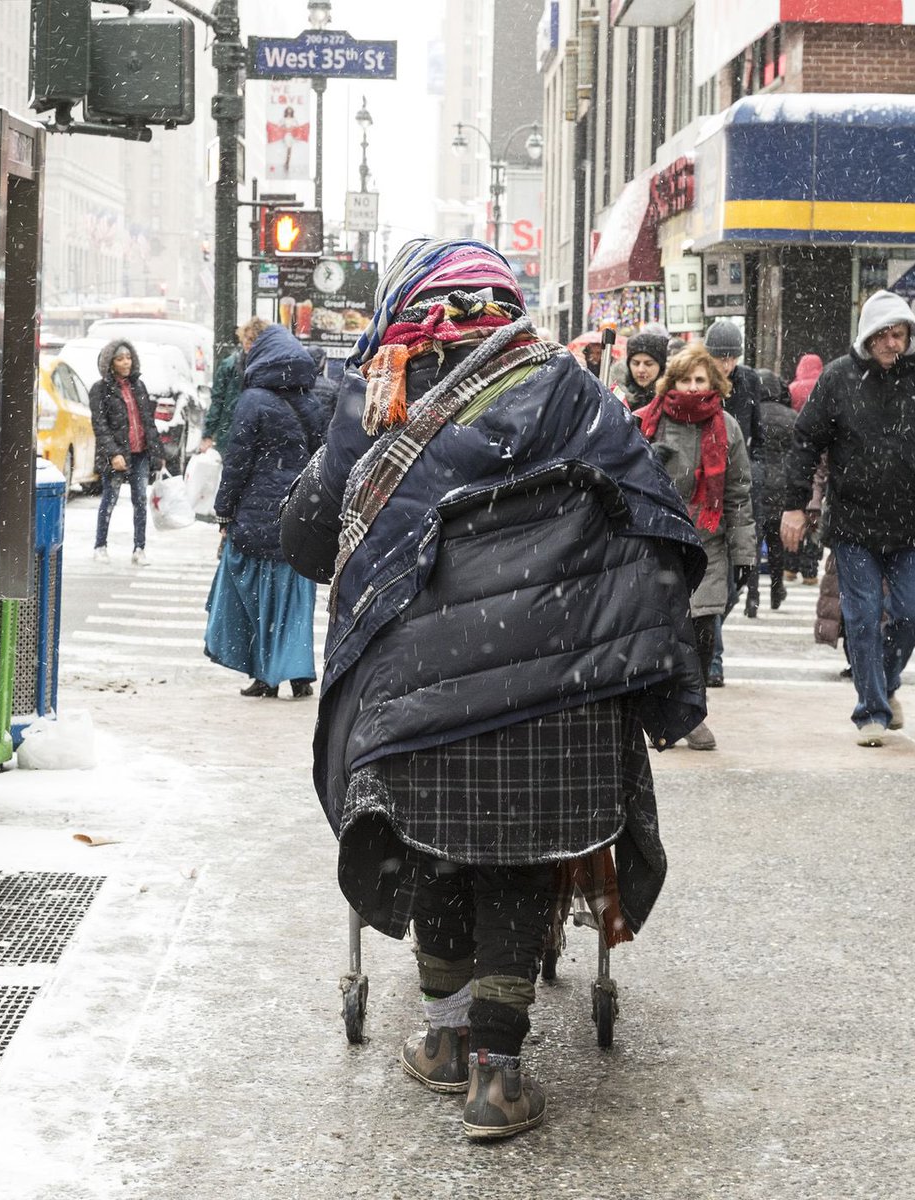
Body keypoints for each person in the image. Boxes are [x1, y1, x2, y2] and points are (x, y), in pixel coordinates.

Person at [279, 237, 706, 1140]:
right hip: (565, 689)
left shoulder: (382, 397)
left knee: (438, 841)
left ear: (409, 301)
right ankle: (499, 1076)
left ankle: (443, 1038)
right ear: (505, 305)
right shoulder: (573, 390)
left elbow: (309, 539)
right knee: (522, 849)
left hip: (419, 692)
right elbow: (660, 515)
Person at [781, 289, 915, 747]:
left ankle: (884, 685)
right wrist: (794, 504)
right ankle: (871, 710)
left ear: (910, 334)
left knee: (911, 615)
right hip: (853, 522)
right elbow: (805, 442)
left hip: (912, 522)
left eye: (899, 333)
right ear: (867, 336)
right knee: (862, 617)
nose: (892, 343)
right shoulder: (839, 378)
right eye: (883, 334)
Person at [637, 347, 755, 751]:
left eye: (699, 380)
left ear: (713, 384)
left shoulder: (728, 428)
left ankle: (693, 712)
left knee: (702, 632)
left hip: (709, 543)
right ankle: (660, 710)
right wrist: (647, 462)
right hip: (661, 540)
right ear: (672, 381)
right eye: (685, 379)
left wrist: (745, 553)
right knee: (662, 631)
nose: (691, 388)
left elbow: (739, 494)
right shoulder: (648, 422)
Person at [205, 322, 324, 698]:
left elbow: (237, 462)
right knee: (295, 600)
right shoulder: (313, 400)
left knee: (258, 598)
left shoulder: (252, 400)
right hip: (299, 514)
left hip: (257, 514)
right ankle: (299, 673)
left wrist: (224, 511)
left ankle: (265, 676)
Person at [703, 319, 764, 685]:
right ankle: (713, 659)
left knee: (733, 581)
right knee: (712, 579)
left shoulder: (749, 382)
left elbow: (756, 431)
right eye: (720, 357)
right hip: (707, 485)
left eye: (731, 358)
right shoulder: (699, 378)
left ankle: (710, 637)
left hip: (736, 480)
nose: (726, 365)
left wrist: (749, 467)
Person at [89, 340, 163, 566]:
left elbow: (147, 421)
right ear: (110, 363)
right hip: (118, 455)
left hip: (140, 452)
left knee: (140, 500)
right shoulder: (100, 389)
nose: (125, 363)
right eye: (120, 359)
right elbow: (100, 425)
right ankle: (100, 545)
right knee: (109, 499)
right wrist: (113, 453)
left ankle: (139, 548)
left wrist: (157, 452)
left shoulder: (138, 386)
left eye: (128, 358)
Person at [754, 368, 797, 612]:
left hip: (757, 483)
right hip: (782, 486)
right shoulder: (791, 416)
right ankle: (776, 589)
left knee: (754, 542)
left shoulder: (754, 414)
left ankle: (752, 594)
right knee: (776, 542)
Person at [784, 352, 825, 584]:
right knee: (815, 512)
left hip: (799, 447)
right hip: (821, 450)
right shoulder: (823, 387)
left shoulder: (793, 389)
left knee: (795, 509)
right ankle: (810, 568)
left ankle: (791, 565)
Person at [200, 318, 263, 457]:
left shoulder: (262, 366)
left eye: (252, 339)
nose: (247, 342)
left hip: (248, 431)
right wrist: (208, 434)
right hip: (231, 430)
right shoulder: (229, 365)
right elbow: (217, 399)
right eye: (246, 337)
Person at [613, 326, 668, 411]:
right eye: (635, 363)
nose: (641, 370)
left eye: (648, 364)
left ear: (661, 366)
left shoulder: (671, 400)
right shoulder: (615, 398)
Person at [305, 343, 340, 425]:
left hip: (305, 432)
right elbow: (338, 415)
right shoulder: (333, 386)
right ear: (322, 362)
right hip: (325, 433)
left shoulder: (299, 385)